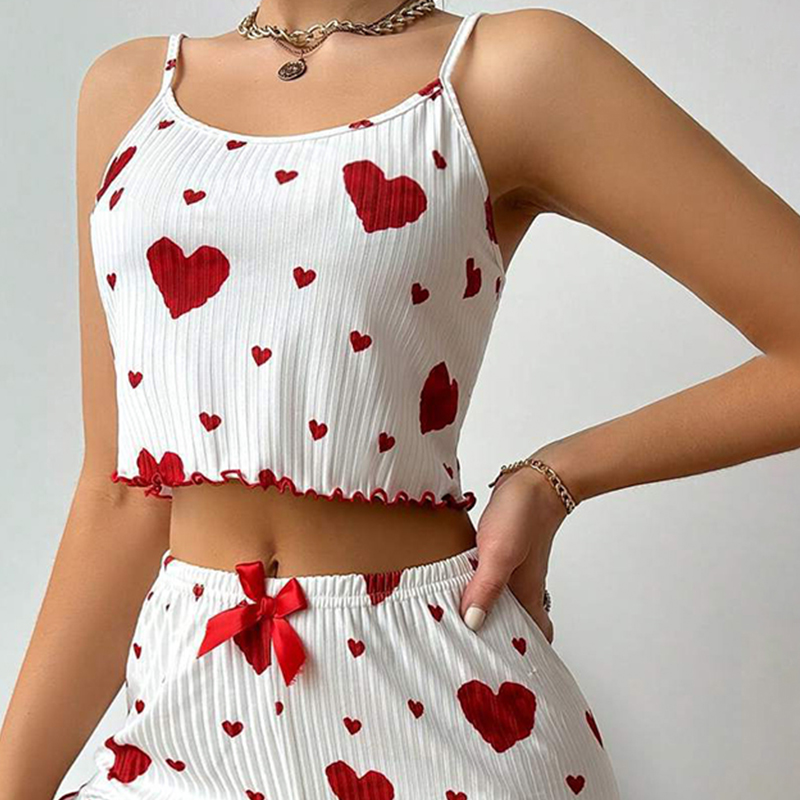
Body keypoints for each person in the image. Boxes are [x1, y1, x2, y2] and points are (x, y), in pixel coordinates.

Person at [2, 1, 799, 798]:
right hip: (186, 711)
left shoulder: (508, 70)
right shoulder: (131, 90)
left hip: (438, 706)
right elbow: (121, 495)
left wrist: (556, 477)